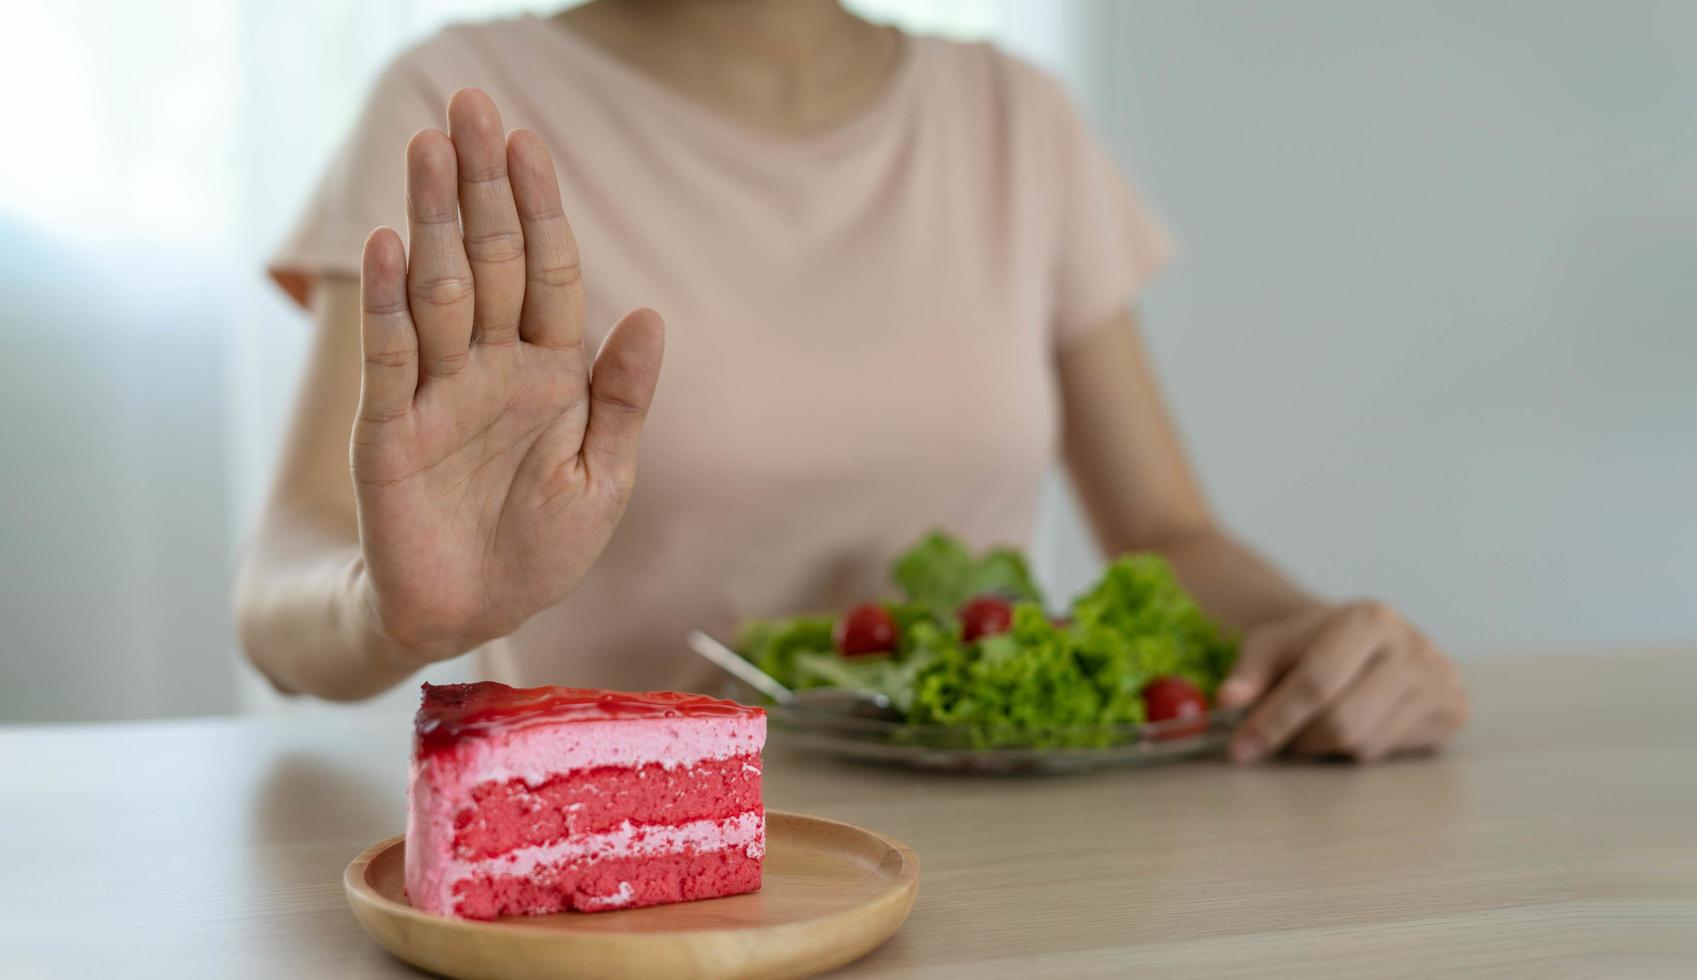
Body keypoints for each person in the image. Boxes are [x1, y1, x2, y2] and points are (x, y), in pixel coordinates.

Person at [237, 0, 1466, 763]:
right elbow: (279, 583)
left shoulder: (1010, 115)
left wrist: (1320, 644)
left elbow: (1162, 531)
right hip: (623, 888)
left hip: (996, 860)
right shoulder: (457, 107)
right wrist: (397, 612)